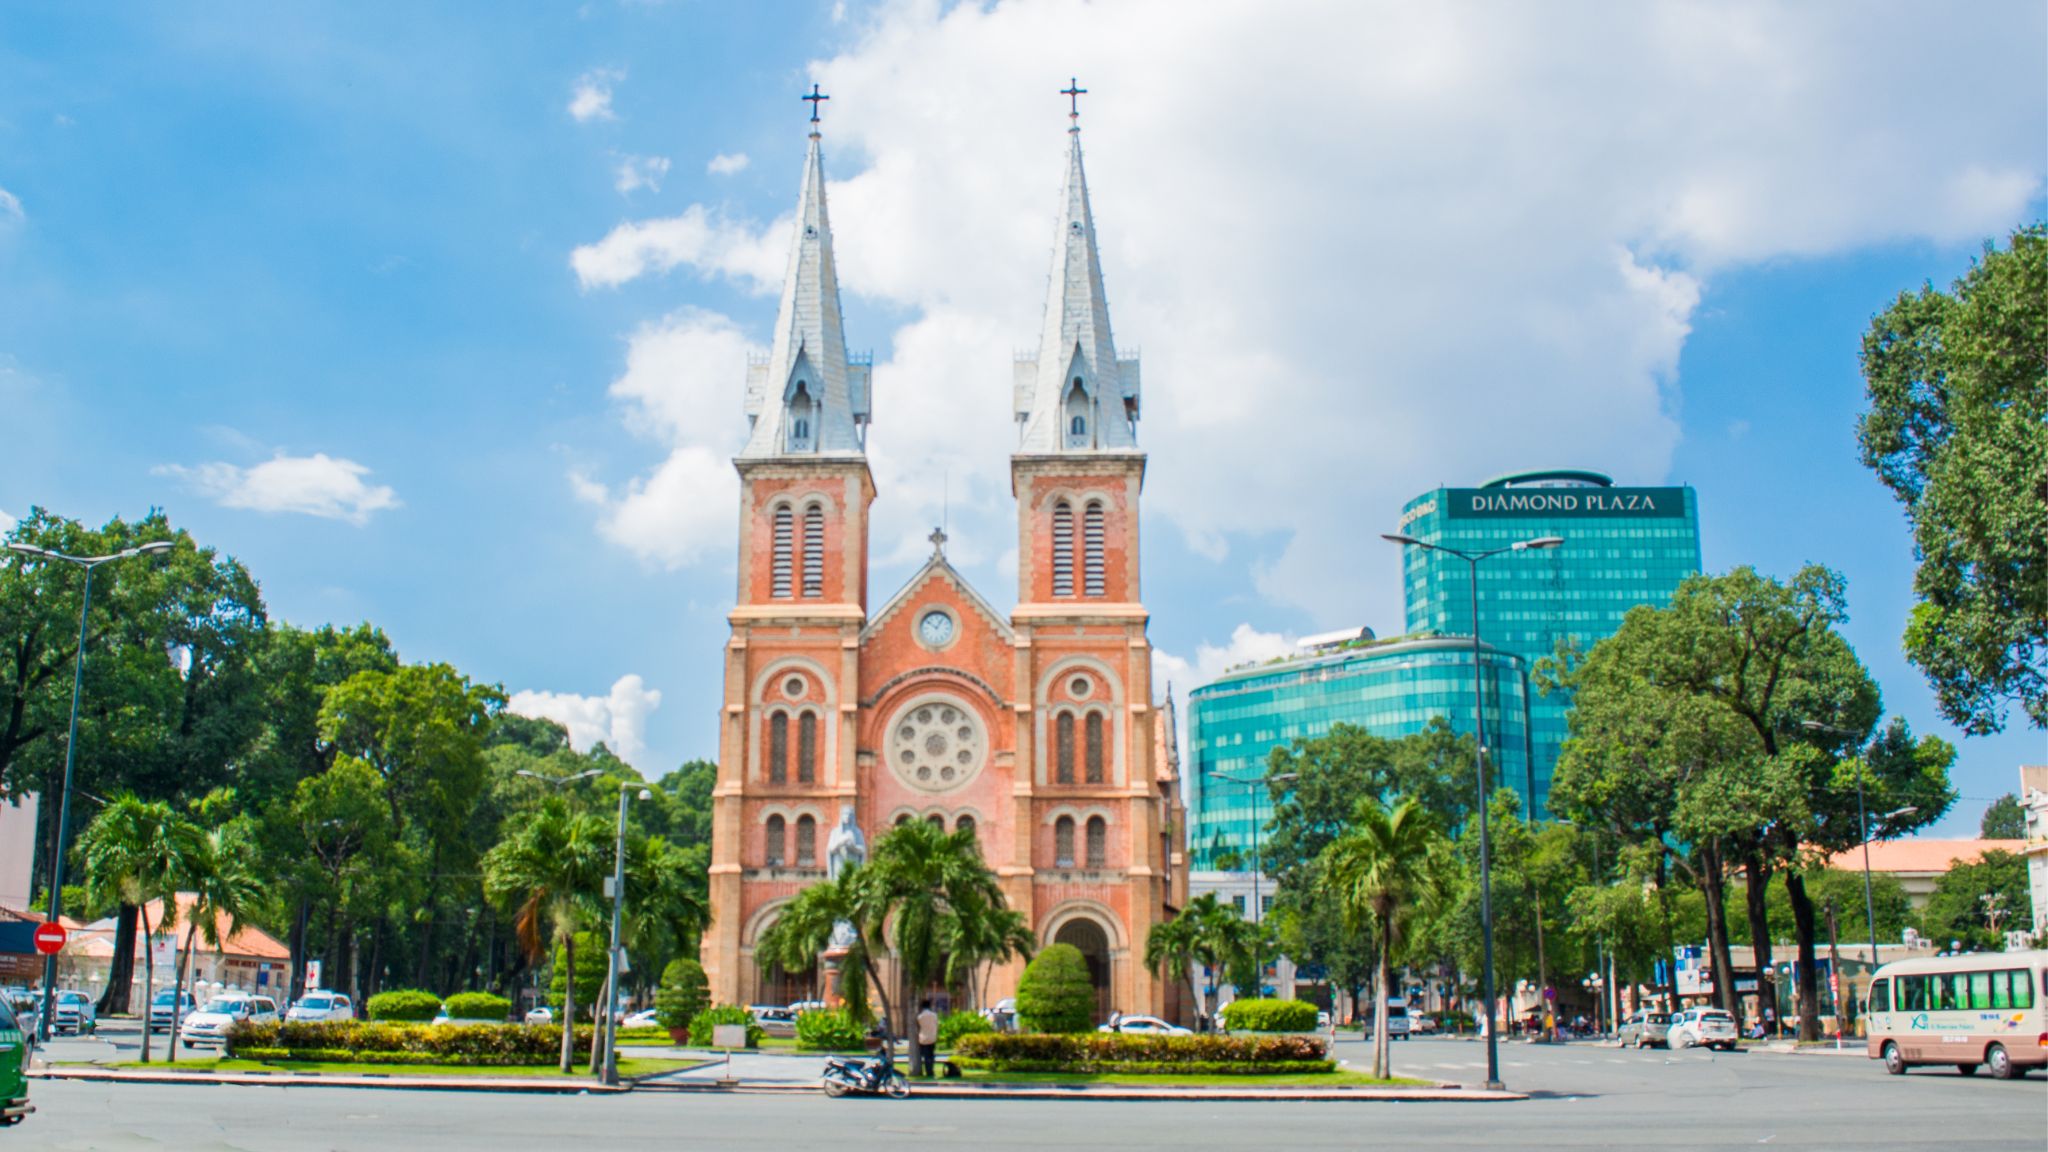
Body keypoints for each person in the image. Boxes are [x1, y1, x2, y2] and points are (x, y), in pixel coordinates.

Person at [914, 1000, 939, 1078]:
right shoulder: (934, 1015)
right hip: (932, 1038)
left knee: (925, 1056)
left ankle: (928, 1071)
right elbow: (937, 1025)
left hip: (923, 1038)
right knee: (931, 1056)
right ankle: (931, 1071)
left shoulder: (920, 1017)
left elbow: (918, 1026)